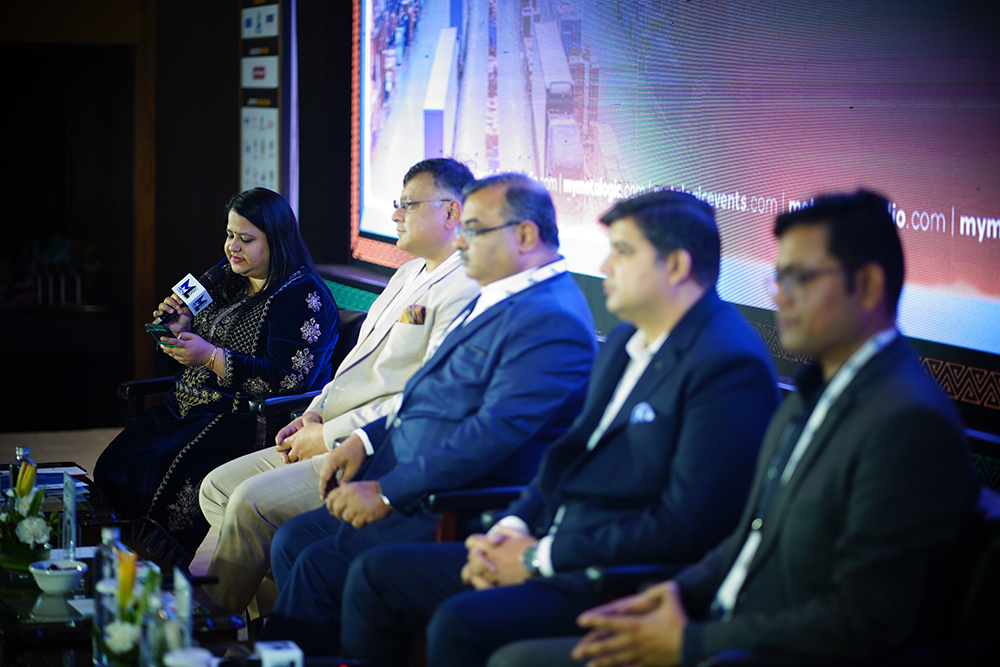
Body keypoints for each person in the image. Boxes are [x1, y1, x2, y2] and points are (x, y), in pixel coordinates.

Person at [493, 190, 980, 667]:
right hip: (719, 627)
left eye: (799, 278)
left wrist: (693, 642)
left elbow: (863, 617)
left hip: (752, 649)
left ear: (868, 285)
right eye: (778, 276)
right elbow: (752, 534)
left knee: (515, 660)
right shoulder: (817, 391)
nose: (778, 294)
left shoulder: (907, 421)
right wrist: (674, 592)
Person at [339, 190, 782, 666]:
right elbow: (566, 456)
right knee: (375, 575)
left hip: (610, 578)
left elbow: (686, 525)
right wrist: (509, 531)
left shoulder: (727, 363)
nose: (606, 266)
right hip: (547, 544)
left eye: (623, 252)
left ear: (675, 265)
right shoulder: (627, 340)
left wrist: (538, 558)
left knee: (460, 622)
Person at [255, 173, 598, 654]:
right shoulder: (501, 293)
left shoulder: (551, 317)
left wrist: (388, 492)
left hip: (453, 502)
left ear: (524, 235)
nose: (461, 241)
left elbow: (490, 435)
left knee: (319, 566)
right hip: (402, 472)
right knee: (294, 539)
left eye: (474, 229)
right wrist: (366, 440)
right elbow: (428, 392)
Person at [198, 158, 480, 617]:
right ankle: (277, 624)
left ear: (452, 212)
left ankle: (209, 632)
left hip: (369, 448)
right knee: (216, 489)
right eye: (396, 203)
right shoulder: (408, 272)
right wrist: (314, 412)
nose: (394, 215)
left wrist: (329, 435)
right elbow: (355, 363)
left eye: (408, 205)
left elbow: (421, 397)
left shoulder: (467, 287)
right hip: (327, 425)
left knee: (250, 506)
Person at [95, 188, 339, 560]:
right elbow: (189, 361)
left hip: (241, 417)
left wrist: (211, 357)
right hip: (185, 406)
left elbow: (288, 381)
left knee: (164, 473)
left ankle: (153, 567)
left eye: (246, 239)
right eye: (229, 235)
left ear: (277, 241)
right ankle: (113, 557)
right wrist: (178, 334)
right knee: (115, 464)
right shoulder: (225, 279)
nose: (232, 248)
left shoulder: (303, 297)